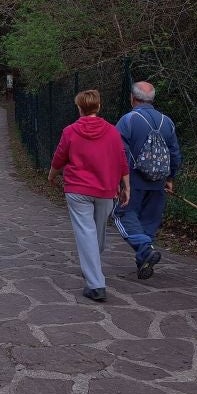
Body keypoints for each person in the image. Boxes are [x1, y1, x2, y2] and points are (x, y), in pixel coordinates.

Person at [48, 90, 129, 302]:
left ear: (79, 108)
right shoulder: (112, 132)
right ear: (98, 107)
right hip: (106, 189)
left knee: (87, 233)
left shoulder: (70, 131)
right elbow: (121, 159)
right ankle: (95, 281)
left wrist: (52, 175)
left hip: (78, 189)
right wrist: (126, 186)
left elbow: (59, 156)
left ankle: (94, 276)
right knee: (96, 232)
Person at [114, 81, 182, 279]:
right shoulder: (167, 122)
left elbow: (119, 152)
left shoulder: (128, 120)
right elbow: (175, 153)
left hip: (133, 181)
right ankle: (144, 260)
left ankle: (144, 250)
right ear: (152, 99)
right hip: (158, 182)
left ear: (132, 98)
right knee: (149, 221)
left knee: (123, 214)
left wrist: (120, 180)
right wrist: (170, 177)